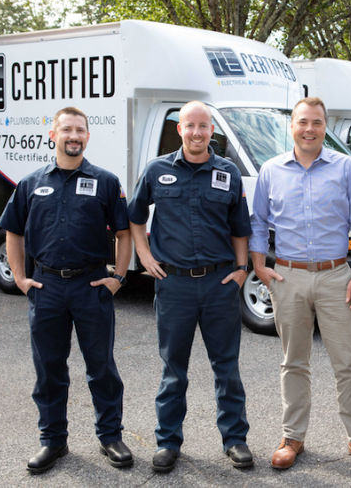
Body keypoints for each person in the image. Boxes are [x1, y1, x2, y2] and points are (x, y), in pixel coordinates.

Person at [250, 97, 351, 471]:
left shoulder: (345, 168)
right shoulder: (271, 170)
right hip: (288, 277)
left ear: (325, 127)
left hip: (336, 275)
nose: (309, 129)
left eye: (317, 123)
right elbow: (258, 222)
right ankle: (292, 437)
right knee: (294, 362)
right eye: (303, 122)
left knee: (348, 362)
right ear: (291, 125)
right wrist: (260, 266)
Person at [0, 107, 134, 474]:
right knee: (49, 368)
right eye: (67, 130)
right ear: (52, 135)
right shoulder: (30, 184)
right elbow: (14, 232)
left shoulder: (105, 182)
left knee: (101, 367)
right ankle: (53, 441)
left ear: (88, 137)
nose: (73, 136)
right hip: (47, 287)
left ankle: (110, 436)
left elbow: (123, 234)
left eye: (80, 130)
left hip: (91, 286)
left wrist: (118, 277)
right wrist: (21, 278)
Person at [127, 101, 254, 472]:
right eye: (190, 125)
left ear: (211, 130)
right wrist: (144, 257)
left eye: (203, 126)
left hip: (219, 284)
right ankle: (168, 442)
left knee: (226, 367)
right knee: (173, 370)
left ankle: (235, 440)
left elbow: (239, 228)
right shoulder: (157, 170)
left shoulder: (228, 172)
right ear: (179, 129)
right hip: (175, 286)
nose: (197, 132)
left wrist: (242, 267)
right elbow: (134, 218)